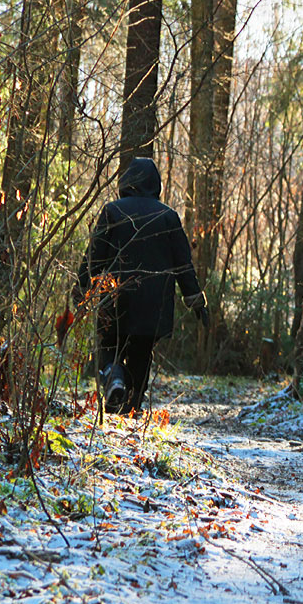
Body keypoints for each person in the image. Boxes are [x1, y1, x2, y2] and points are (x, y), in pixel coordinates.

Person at [74, 157, 208, 420]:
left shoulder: (112, 211)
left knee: (110, 345)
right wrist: (195, 300)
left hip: (115, 298)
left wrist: (81, 288)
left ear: (126, 182)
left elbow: (94, 257)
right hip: (153, 304)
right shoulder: (168, 216)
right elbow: (183, 264)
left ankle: (114, 380)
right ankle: (131, 410)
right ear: (155, 184)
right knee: (142, 353)